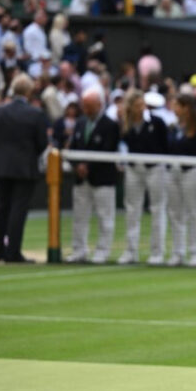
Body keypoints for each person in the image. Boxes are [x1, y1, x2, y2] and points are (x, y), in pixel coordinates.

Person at [0, 74, 48, 263]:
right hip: (24, 169)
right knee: (17, 210)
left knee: (2, 208)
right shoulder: (35, 114)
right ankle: (13, 252)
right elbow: (42, 144)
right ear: (29, 92)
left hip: (2, 167)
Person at [66, 88, 120, 264]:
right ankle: (79, 250)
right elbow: (73, 147)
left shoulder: (111, 125)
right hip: (82, 180)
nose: (86, 110)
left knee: (105, 217)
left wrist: (88, 166)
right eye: (85, 106)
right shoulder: (80, 123)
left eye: (90, 106)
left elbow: (107, 150)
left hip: (102, 179)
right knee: (79, 217)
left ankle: (102, 251)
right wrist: (77, 166)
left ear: (99, 105)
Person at [117, 89, 169, 265]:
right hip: (133, 169)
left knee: (157, 209)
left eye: (142, 104)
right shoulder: (125, 125)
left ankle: (157, 252)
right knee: (132, 209)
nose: (141, 108)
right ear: (130, 107)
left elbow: (164, 146)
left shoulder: (157, 122)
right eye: (137, 105)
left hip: (155, 169)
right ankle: (130, 251)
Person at [166, 94, 196, 267]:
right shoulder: (172, 127)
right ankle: (178, 252)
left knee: (194, 213)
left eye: (176, 105)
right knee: (175, 214)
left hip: (193, 172)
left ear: (186, 108)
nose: (173, 109)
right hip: (172, 172)